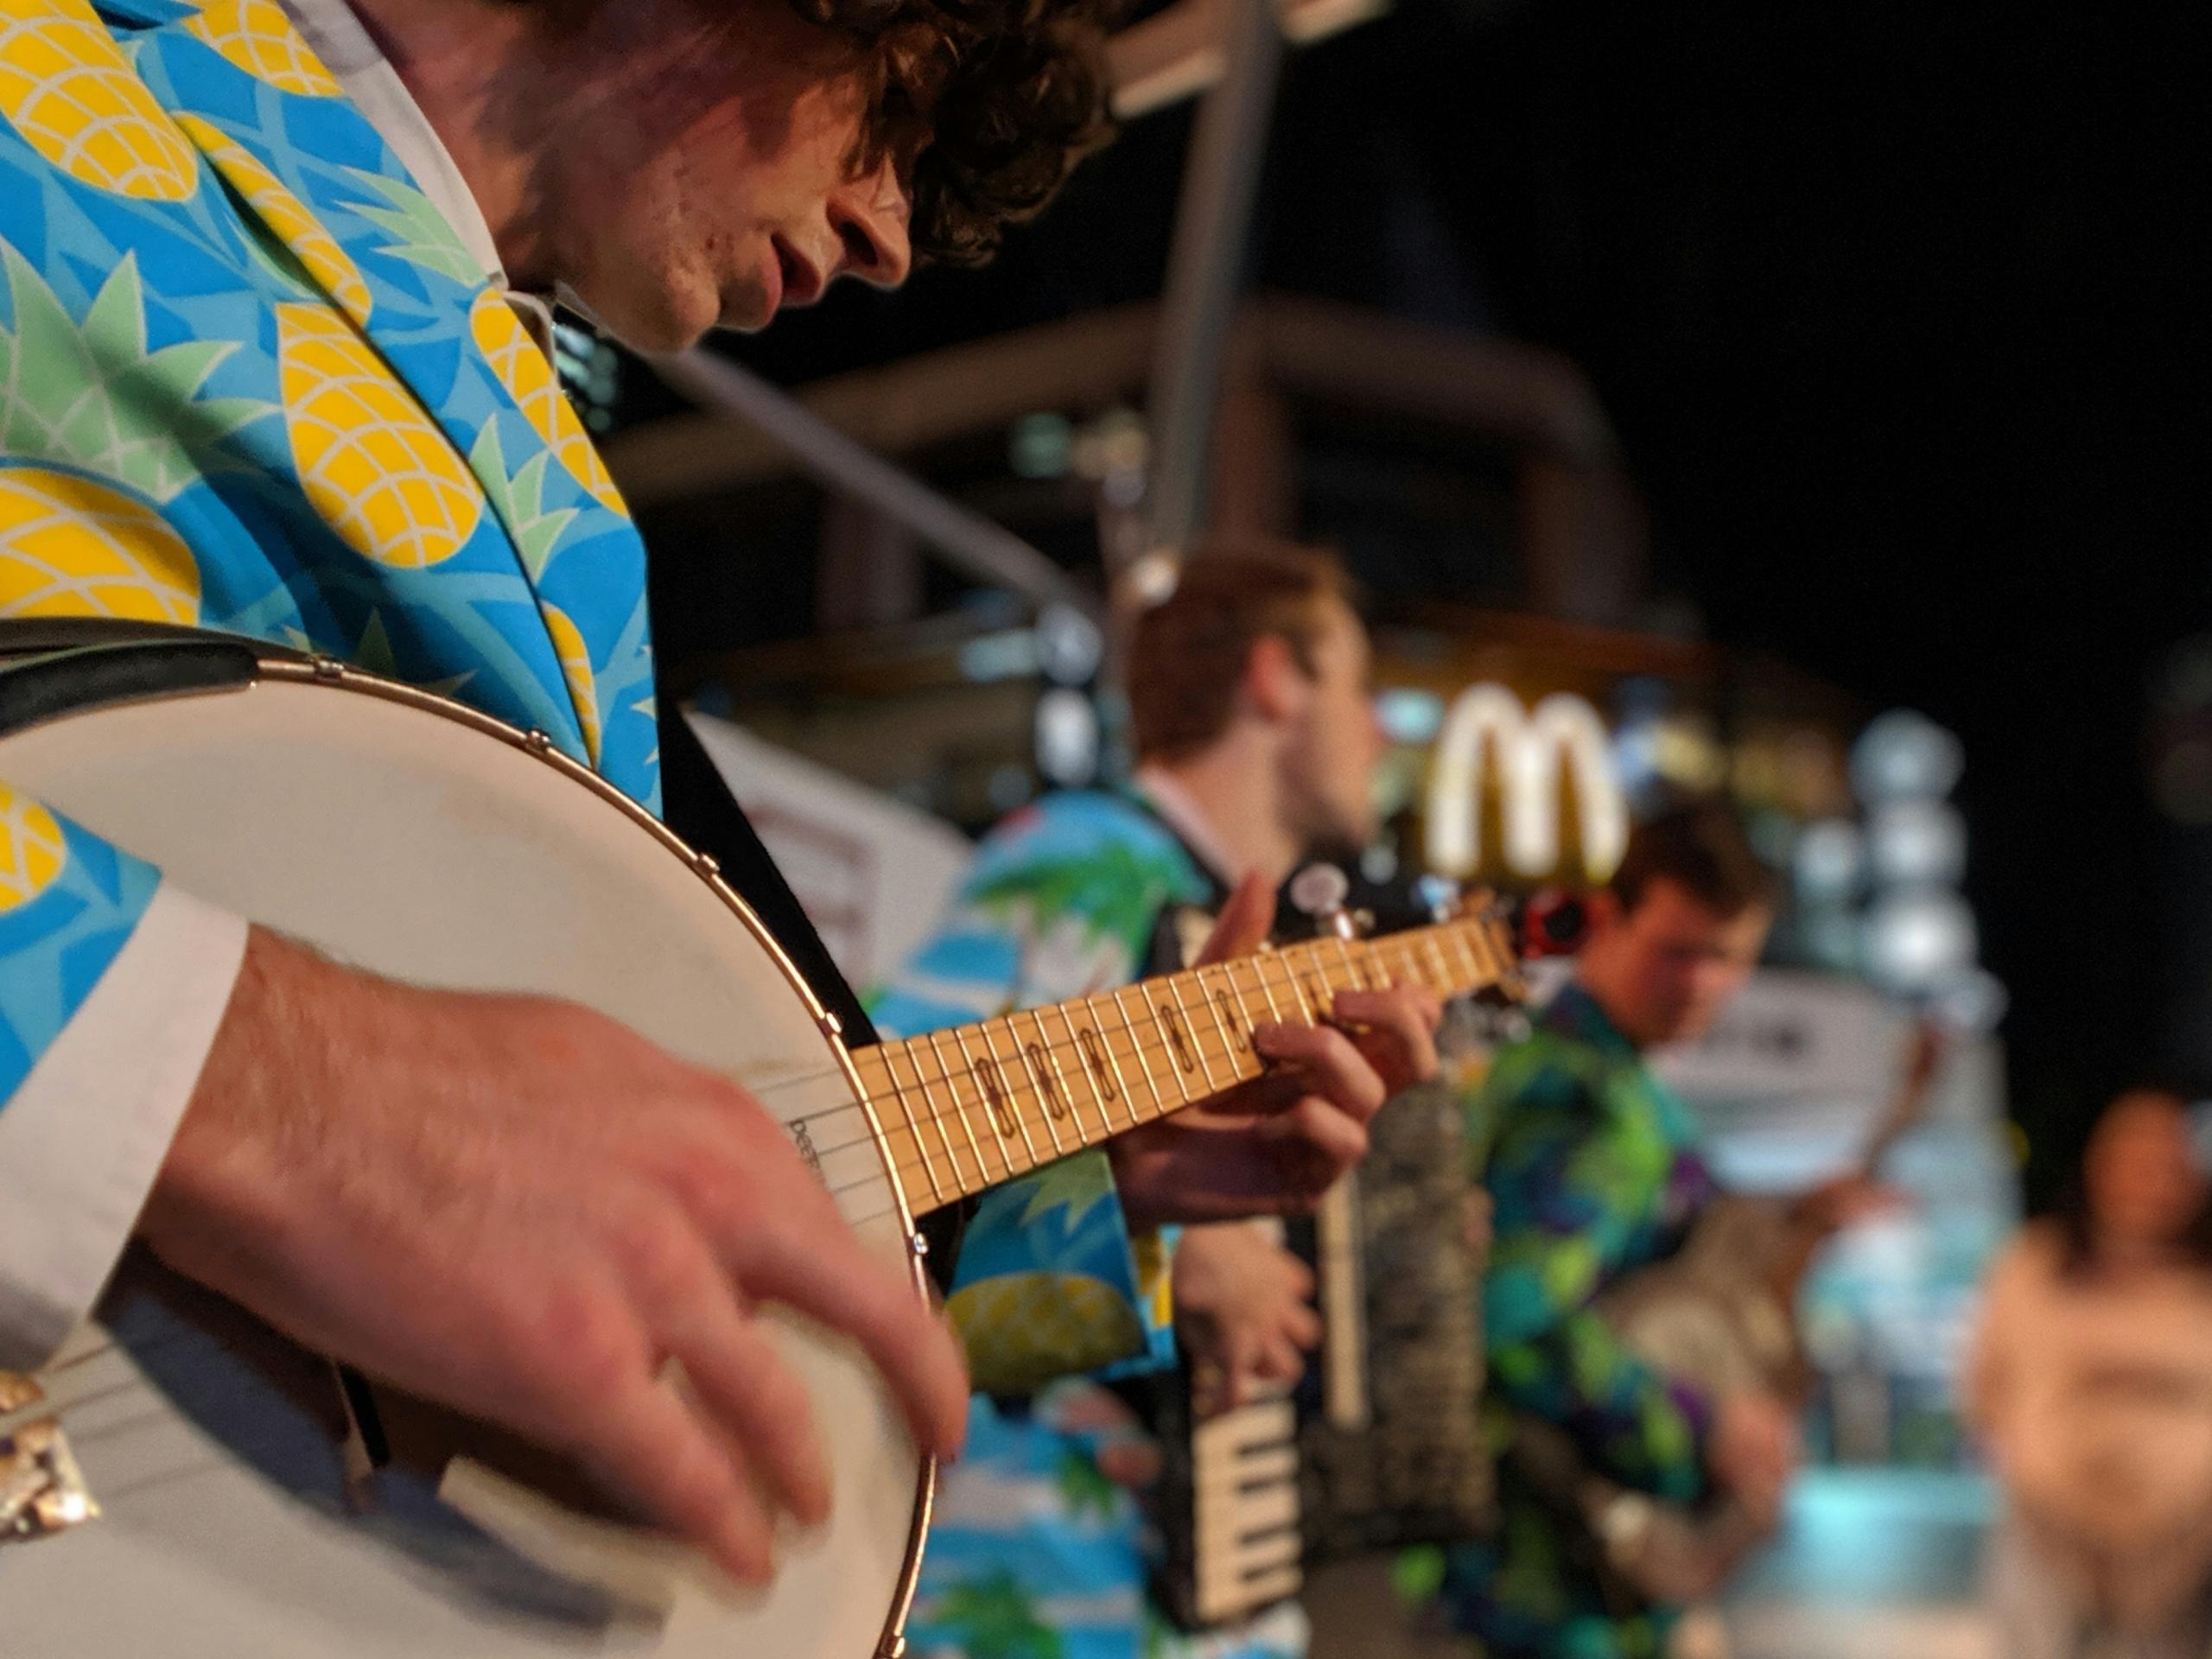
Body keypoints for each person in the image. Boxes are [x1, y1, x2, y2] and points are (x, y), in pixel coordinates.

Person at [0, 0, 1401, 1587]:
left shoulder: (548, 462)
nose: (889, 236)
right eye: (894, 105)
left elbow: (541, 1196)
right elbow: (379, 1130)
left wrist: (1097, 1184)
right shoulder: (54, 91)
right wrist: (271, 1085)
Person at [868, 540, 1443, 1659]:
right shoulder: (1086, 865)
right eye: (1358, 687)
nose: (1382, 732)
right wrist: (1182, 1248)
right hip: (1038, 1601)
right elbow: (867, 1164)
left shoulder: (1230, 917)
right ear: (1274, 679)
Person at [1436, 798, 1802, 1659]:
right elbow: (1511, 1321)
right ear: (1604, 920)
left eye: (1726, 958)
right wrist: (1699, 1427)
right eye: (1676, 951)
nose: (1700, 983)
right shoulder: (1583, 1096)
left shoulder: (1606, 1078)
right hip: (1540, 1575)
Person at [1966, 1087, 2212, 1659]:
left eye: (2166, 1161)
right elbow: (1985, 1387)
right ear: (2096, 1163)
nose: (2149, 1179)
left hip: (2189, 1557)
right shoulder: (2034, 1265)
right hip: (2045, 1541)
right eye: (2132, 1157)